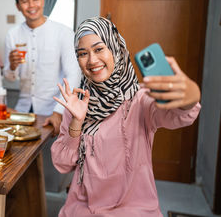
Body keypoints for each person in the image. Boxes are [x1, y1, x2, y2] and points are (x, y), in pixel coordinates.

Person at [51, 17, 201, 216]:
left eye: (98, 49)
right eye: (82, 53)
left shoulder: (140, 99)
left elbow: (179, 115)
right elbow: (63, 164)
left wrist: (191, 95)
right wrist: (77, 123)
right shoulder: (77, 103)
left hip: (134, 209)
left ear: (116, 48)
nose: (92, 60)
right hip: (83, 208)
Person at [3, 0, 80, 193]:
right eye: (25, 1)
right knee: (16, 166)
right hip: (23, 109)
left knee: (50, 168)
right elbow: (10, 79)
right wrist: (11, 65)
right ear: (18, 6)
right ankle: (21, 204)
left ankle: (45, 205)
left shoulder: (63, 32)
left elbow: (73, 75)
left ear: (43, 0)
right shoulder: (12, 35)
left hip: (52, 109)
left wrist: (58, 112)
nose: (31, 5)